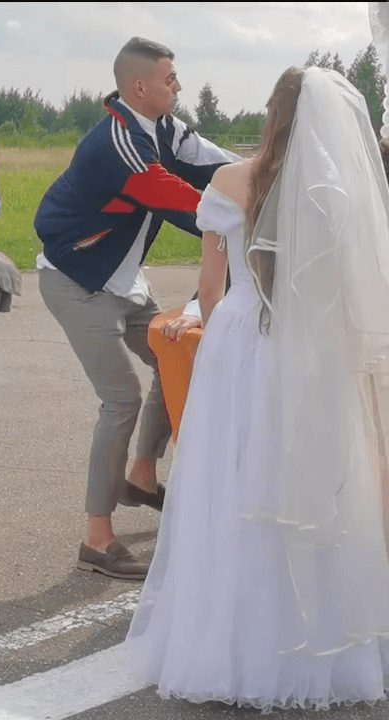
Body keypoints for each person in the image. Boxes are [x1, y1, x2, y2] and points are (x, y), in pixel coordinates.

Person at [126, 66, 389, 710]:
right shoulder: (336, 190)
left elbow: (208, 288)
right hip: (307, 344)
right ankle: (310, 634)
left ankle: (225, 633)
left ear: (271, 114)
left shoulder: (226, 180)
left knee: (231, 481)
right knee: (306, 485)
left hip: (240, 336)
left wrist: (218, 348)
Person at [33, 37, 238, 579]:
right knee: (120, 399)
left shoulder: (167, 129)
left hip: (126, 284)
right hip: (78, 283)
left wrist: (277, 174)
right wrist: (243, 219)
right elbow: (185, 203)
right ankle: (96, 540)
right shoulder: (117, 143)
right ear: (139, 86)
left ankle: (142, 475)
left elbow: (224, 166)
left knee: (178, 358)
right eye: (170, 78)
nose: (178, 85)